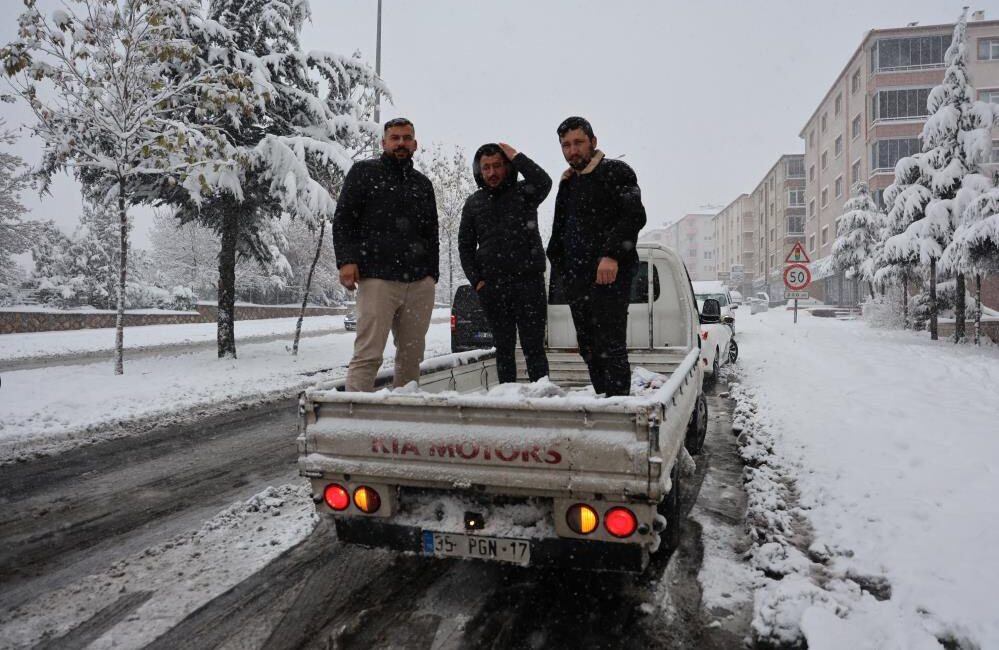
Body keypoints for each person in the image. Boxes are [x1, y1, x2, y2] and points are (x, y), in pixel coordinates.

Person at [332, 117, 439, 392]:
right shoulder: (364, 173)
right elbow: (344, 219)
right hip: (377, 278)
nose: (401, 143)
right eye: (395, 138)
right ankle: (354, 418)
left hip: (419, 283)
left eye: (406, 138)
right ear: (384, 142)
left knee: (412, 357)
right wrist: (346, 260)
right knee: (368, 354)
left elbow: (431, 232)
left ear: (415, 144)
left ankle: (404, 419)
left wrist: (431, 275)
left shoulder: (422, 184)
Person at [546, 116, 647, 397]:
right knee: (588, 345)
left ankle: (618, 411)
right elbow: (559, 231)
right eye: (565, 145)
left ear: (593, 141)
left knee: (610, 344)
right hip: (577, 278)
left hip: (611, 275)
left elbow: (634, 215)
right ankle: (605, 400)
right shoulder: (567, 184)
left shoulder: (616, 171)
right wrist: (561, 265)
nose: (572, 150)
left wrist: (611, 256)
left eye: (578, 142)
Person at [458, 142, 552, 383]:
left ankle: (541, 401)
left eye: (498, 165)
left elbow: (544, 181)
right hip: (493, 288)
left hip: (529, 284)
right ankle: (508, 403)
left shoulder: (525, 192)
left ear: (508, 167)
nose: (492, 172)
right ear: (479, 171)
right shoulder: (473, 203)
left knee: (534, 349)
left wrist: (517, 156)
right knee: (504, 350)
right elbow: (465, 247)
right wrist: (478, 282)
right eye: (486, 167)